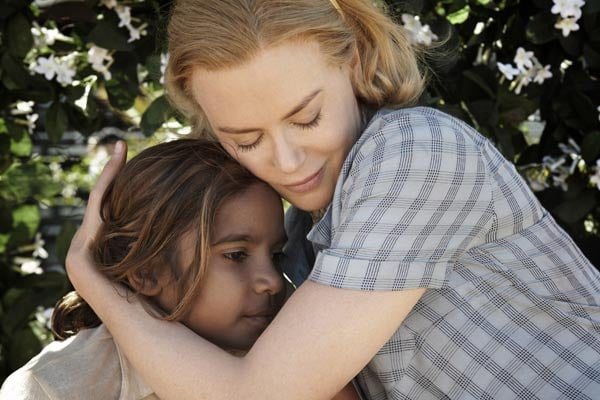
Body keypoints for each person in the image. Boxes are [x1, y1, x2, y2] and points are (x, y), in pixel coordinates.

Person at [65, 0, 600, 399]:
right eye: (245, 140)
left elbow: (258, 395)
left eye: (306, 118)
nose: (287, 161)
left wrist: (93, 279)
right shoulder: (299, 231)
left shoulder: (415, 152)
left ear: (355, 62)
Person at [0, 139, 360, 399]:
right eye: (236, 255)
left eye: (277, 255)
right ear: (148, 272)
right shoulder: (54, 388)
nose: (271, 282)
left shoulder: (290, 353)